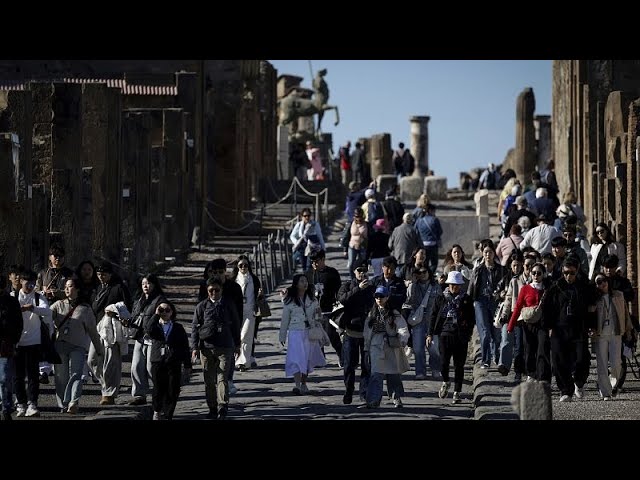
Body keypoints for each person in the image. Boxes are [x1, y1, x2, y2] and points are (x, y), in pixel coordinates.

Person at [542, 257, 596, 402]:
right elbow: (547, 308)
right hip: (559, 329)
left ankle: (579, 381)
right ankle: (566, 390)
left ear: (577, 271)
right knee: (559, 360)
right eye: (566, 272)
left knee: (582, 358)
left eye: (571, 273)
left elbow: (592, 307)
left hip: (579, 328)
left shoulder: (584, 287)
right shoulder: (555, 287)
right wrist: (549, 327)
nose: (568, 276)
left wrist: (592, 326)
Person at [50, 277, 103, 414]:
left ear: (78, 289)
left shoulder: (85, 309)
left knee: (76, 374)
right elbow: (45, 316)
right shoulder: (58, 305)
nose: (67, 289)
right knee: (61, 377)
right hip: (60, 345)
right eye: (66, 286)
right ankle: (63, 404)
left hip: (78, 346)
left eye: (70, 286)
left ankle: (74, 401)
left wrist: (99, 350)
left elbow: (93, 331)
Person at [191, 276, 241, 419]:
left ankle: (222, 406)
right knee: (209, 381)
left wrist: (237, 345)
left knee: (222, 378)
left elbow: (236, 325)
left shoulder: (228, 304)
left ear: (222, 290)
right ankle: (212, 407)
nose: (214, 293)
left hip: (225, 347)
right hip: (206, 348)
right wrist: (194, 347)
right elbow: (195, 328)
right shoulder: (201, 306)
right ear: (207, 291)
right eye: (211, 290)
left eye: (217, 290)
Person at [428, 271, 475, 404]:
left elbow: (472, 318)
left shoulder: (466, 299)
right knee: (443, 363)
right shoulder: (440, 298)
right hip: (444, 333)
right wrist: (430, 333)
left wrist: (468, 332)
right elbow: (433, 315)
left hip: (460, 335)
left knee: (459, 365)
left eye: (457, 285)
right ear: (448, 284)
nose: (454, 287)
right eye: (452, 284)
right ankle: (446, 381)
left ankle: (457, 392)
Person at [12, 270, 53, 417]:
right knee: (18, 376)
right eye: (27, 282)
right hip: (17, 341)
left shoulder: (37, 297)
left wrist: (32, 308)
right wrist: (19, 309)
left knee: (33, 375)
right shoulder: (14, 296)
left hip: (34, 342)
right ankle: (21, 404)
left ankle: (32, 403)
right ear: (20, 281)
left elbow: (47, 311)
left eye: (33, 283)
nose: (30, 286)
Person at [363, 285, 409, 408]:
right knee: (376, 374)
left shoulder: (394, 313)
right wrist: (366, 348)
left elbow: (402, 328)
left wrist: (403, 339)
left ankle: (396, 397)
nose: (379, 299)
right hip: (376, 346)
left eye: (381, 296)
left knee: (393, 374)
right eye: (377, 296)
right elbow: (367, 332)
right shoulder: (371, 313)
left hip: (391, 346)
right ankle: (374, 400)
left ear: (387, 297)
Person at [279, 274, 326, 394]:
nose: (304, 283)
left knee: (307, 359)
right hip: (295, 332)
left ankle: (304, 383)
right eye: (301, 281)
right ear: (296, 284)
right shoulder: (289, 300)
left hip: (308, 332)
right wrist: (282, 336)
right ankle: (297, 385)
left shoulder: (312, 299)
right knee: (295, 358)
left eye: (305, 281)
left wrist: (319, 314)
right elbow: (285, 319)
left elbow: (318, 316)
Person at [145, 300, 191, 420]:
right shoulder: (155, 326)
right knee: (158, 388)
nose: (164, 312)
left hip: (173, 361)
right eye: (161, 310)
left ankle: (168, 413)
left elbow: (185, 346)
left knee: (173, 388)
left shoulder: (178, 327)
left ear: (172, 312)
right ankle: (157, 410)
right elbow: (148, 329)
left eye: (167, 310)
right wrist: (155, 315)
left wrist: (187, 364)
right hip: (157, 360)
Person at [125, 274, 167, 406]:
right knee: (136, 367)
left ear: (154, 284)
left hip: (154, 338)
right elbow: (134, 316)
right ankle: (139, 395)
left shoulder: (160, 300)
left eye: (148, 283)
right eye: (143, 284)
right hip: (140, 337)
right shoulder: (139, 300)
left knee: (151, 368)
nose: (145, 286)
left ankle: (160, 393)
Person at [590, 273, 633, 400]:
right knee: (602, 363)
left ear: (607, 281)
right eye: (598, 282)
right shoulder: (594, 299)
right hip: (600, 334)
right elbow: (590, 317)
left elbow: (625, 313)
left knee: (616, 363)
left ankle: (611, 383)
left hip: (616, 331)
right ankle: (605, 392)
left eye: (603, 280)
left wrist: (629, 330)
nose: (602, 284)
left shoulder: (619, 295)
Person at [337, 263, 374, 404]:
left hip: (366, 332)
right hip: (350, 331)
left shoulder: (372, 287)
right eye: (359, 270)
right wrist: (358, 289)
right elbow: (342, 299)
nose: (362, 273)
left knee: (367, 365)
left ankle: (364, 392)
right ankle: (349, 390)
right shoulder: (347, 285)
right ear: (354, 271)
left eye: (365, 270)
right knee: (349, 365)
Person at [403, 265, 441, 380]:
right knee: (418, 348)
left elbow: (440, 303)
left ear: (429, 272)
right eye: (419, 273)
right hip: (418, 321)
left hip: (432, 320)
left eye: (424, 272)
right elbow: (409, 300)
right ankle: (420, 371)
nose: (422, 274)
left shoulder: (436, 286)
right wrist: (412, 284)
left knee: (433, 348)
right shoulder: (414, 286)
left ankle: (435, 369)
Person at [306, 249, 343, 364]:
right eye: (312, 262)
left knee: (332, 335)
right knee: (316, 337)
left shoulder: (332, 273)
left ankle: (342, 356)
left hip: (329, 310)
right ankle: (320, 359)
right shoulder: (308, 274)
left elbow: (339, 291)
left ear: (323, 259)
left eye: (316, 261)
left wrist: (339, 308)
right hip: (313, 311)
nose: (314, 264)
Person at [91, 301, 130, 406]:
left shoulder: (119, 287)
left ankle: (109, 394)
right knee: (92, 361)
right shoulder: (98, 288)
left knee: (111, 365)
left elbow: (127, 309)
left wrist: (116, 313)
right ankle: (106, 387)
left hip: (112, 331)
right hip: (96, 328)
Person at [230, 256, 263, 371]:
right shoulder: (233, 280)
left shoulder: (253, 279)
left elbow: (259, 295)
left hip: (250, 311)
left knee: (246, 336)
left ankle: (243, 362)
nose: (243, 267)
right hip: (236, 312)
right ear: (237, 267)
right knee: (237, 335)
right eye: (241, 265)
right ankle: (236, 359)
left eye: (245, 265)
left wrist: (260, 295)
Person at [0, 275, 23, 421]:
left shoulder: (11, 302)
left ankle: (6, 407)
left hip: (5, 343)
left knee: (4, 377)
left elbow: (18, 324)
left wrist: (14, 341)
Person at [414, 203, 443, 273]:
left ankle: (424, 274)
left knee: (424, 262)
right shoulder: (435, 219)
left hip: (423, 245)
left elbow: (415, 231)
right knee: (434, 263)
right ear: (430, 210)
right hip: (433, 244)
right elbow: (440, 231)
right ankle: (430, 274)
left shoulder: (419, 220)